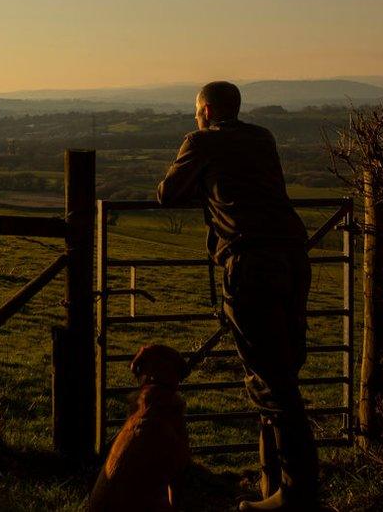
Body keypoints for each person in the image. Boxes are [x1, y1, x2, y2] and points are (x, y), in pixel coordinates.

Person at [156, 81, 319, 511]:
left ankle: (296, 497)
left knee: (273, 383)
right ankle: (283, 488)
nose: (195, 118)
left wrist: (200, 183)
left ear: (206, 111)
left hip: (251, 264)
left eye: (196, 112)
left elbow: (167, 193)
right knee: (286, 372)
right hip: (293, 257)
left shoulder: (200, 142)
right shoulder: (263, 137)